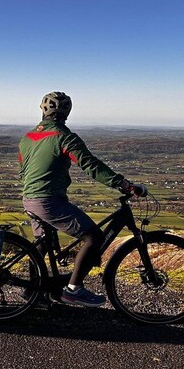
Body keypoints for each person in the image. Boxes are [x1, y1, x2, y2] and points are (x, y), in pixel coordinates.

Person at [18, 92, 146, 307]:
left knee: (43, 244)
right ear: (67, 112)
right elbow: (91, 166)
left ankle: (33, 292)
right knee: (94, 237)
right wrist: (123, 184)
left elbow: (23, 171)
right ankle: (73, 289)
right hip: (49, 201)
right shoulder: (64, 137)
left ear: (42, 110)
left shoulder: (27, 138)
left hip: (29, 198)